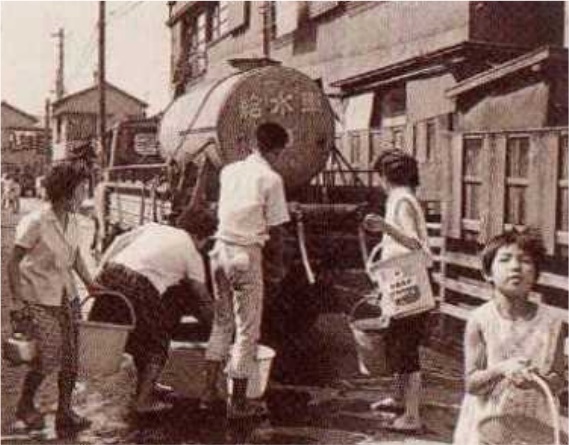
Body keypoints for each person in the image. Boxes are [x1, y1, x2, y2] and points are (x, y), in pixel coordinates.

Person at [200, 122, 291, 419]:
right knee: (247, 330)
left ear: (254, 144)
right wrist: (276, 268)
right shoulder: (271, 178)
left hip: (219, 251)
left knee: (222, 322)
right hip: (244, 255)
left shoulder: (229, 171)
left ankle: (208, 391)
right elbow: (276, 231)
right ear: (277, 150)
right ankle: (238, 403)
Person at [88, 206, 215, 414]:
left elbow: (119, 241)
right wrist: (220, 330)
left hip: (111, 272)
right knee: (158, 341)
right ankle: (143, 401)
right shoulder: (193, 255)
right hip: (140, 284)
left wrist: (99, 271)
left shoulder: (155, 228)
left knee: (142, 335)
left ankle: (147, 386)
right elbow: (202, 299)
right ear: (203, 237)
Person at [453, 228, 565, 445]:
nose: (515, 267)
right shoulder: (480, 320)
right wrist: (502, 369)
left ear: (536, 273)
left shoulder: (552, 322)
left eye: (525, 261)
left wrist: (537, 381)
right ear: (488, 273)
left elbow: (558, 381)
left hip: (533, 424)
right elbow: (472, 384)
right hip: (486, 420)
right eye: (505, 260)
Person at [7, 163, 93, 433]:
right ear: (67, 192)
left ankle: (66, 412)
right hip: (39, 299)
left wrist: (91, 283)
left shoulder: (74, 219)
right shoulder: (36, 221)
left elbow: (75, 255)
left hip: (68, 297)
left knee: (71, 357)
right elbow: (13, 262)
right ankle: (25, 404)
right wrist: (17, 301)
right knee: (46, 358)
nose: (84, 194)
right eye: (81, 189)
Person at [362, 148, 431, 432]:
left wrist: (384, 226)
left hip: (408, 284)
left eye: (379, 175)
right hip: (401, 282)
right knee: (398, 343)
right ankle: (398, 398)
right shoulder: (402, 198)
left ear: (385, 176)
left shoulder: (401, 200)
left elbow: (414, 244)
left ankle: (412, 416)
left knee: (406, 349)